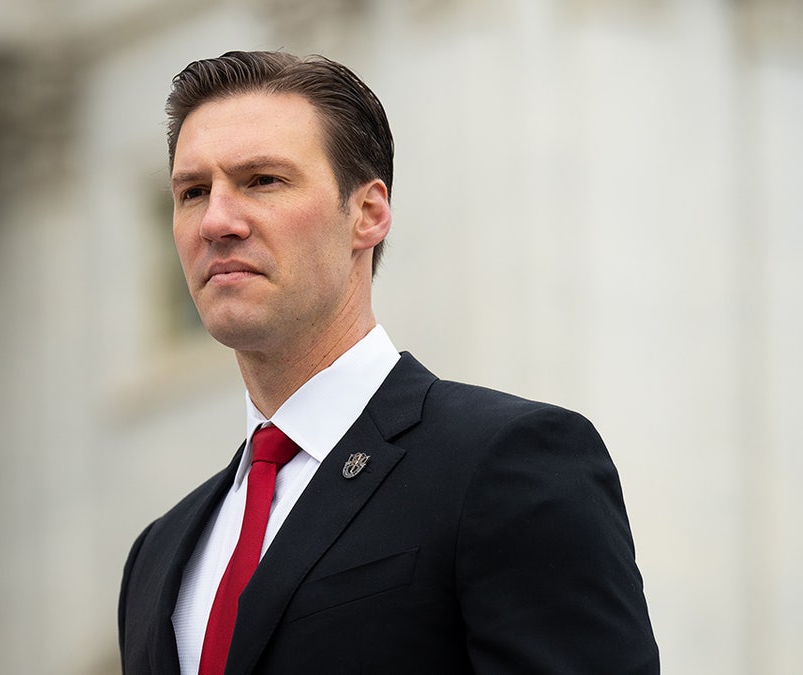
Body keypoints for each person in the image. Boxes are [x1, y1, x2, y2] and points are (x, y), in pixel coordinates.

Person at [118, 50, 658, 675]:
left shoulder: (506, 461)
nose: (216, 220)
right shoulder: (157, 554)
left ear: (368, 214)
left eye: (263, 180)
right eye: (192, 192)